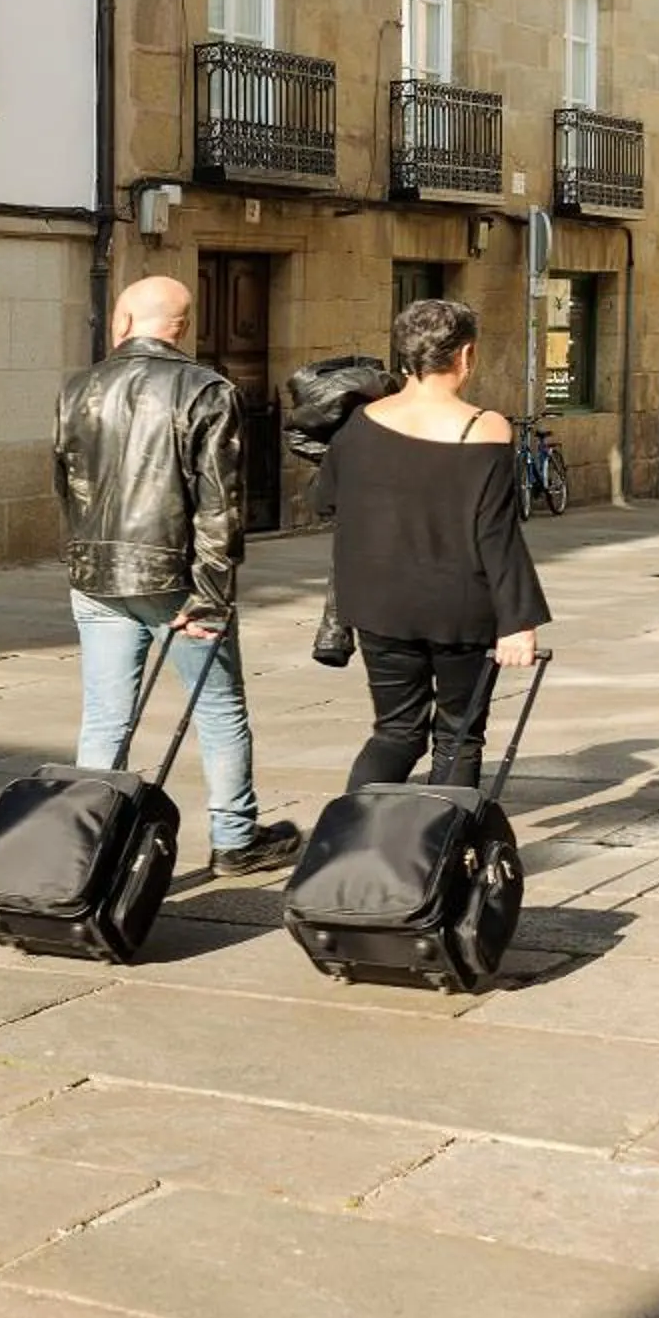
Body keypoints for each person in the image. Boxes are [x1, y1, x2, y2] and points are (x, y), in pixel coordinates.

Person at [55, 274, 301, 878]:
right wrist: (213, 596)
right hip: (179, 577)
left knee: (106, 716)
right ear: (181, 327)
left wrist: (83, 555)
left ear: (122, 320)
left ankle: (89, 843)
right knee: (217, 707)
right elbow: (220, 503)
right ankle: (234, 837)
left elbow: (67, 483)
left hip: (97, 571)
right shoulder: (206, 388)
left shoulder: (78, 387)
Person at [315, 294, 546, 790]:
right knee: (459, 735)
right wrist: (517, 621)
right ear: (465, 356)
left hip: (378, 603)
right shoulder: (485, 427)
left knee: (395, 731)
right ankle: (442, 848)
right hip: (458, 605)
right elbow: (496, 533)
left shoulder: (361, 423)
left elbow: (327, 499)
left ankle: (356, 835)